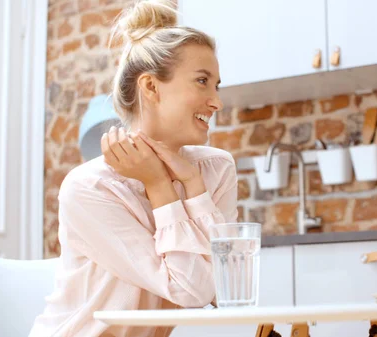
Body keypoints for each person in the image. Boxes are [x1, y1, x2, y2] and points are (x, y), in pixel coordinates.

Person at [29, 0, 238, 336]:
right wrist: (159, 186)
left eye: (217, 86)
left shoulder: (215, 169)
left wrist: (193, 185)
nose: (217, 101)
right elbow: (189, 291)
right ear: (151, 87)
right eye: (202, 81)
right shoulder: (90, 187)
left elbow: (217, 291)